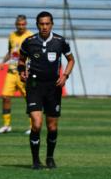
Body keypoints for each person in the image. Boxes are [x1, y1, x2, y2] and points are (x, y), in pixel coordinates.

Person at [18, 11, 75, 170]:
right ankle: (35, 161)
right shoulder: (29, 42)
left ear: (52, 24)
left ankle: (50, 157)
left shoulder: (60, 41)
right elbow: (21, 60)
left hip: (53, 88)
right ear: (37, 25)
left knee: (52, 127)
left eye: (47, 24)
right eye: (41, 24)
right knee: (36, 124)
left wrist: (65, 76)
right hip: (34, 86)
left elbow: (71, 60)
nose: (44, 27)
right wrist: (21, 71)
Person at [0, 15, 33, 135]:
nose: (21, 27)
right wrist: (3, 62)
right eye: (19, 24)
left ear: (26, 24)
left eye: (23, 24)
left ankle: (33, 126)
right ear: (16, 25)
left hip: (24, 73)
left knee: (30, 100)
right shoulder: (12, 35)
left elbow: (34, 54)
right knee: (5, 97)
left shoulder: (30, 36)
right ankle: (6, 125)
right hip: (11, 72)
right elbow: (10, 51)